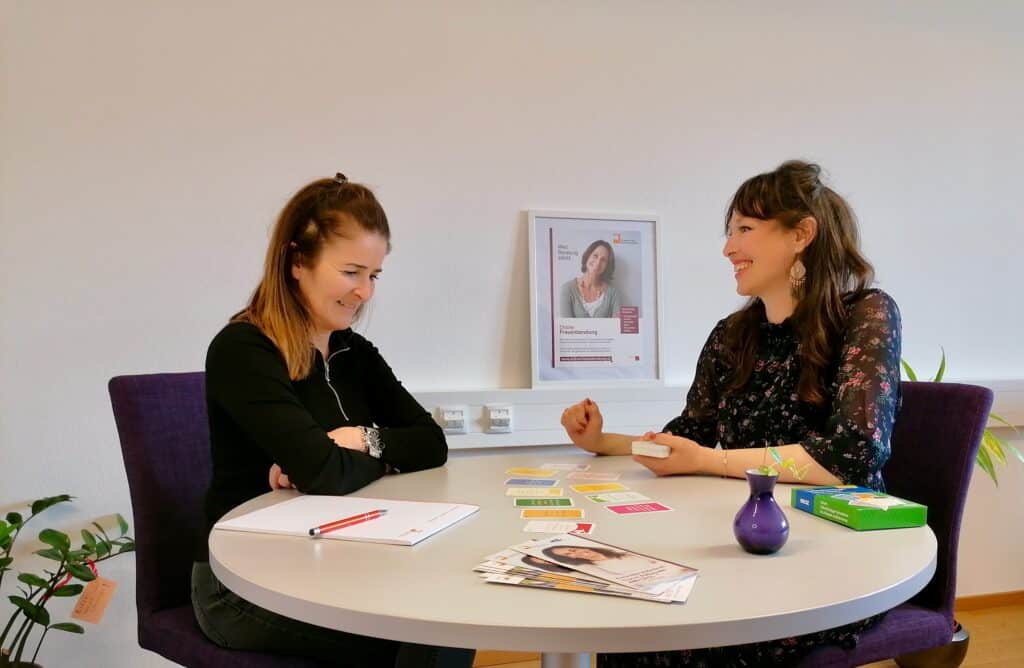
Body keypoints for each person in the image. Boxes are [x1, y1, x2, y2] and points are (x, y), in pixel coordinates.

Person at [560, 160, 901, 667]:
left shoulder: (865, 313)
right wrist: (604, 443)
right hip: (743, 546)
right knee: (629, 627)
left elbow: (852, 456)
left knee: (669, 647)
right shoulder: (732, 335)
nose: (728, 248)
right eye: (729, 232)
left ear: (801, 234)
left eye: (744, 229)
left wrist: (708, 461)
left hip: (832, 558)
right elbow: (687, 439)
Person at [191, 173, 475, 668]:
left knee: (450, 619)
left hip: (344, 563)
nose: (364, 292)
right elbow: (325, 472)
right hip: (245, 587)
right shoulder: (245, 350)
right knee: (425, 638)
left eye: (375, 275)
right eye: (351, 272)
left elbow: (432, 444)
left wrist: (362, 442)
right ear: (298, 260)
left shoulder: (353, 350)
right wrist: (368, 460)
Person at [559, 239, 624, 317]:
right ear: (587, 256)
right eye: (595, 256)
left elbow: (617, 327)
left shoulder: (613, 294)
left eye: (603, 260)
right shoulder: (567, 289)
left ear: (607, 266)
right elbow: (566, 326)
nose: (598, 262)